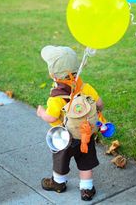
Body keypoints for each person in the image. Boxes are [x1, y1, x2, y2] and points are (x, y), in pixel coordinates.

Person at [37, 45, 103, 201]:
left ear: (52, 74)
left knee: (60, 161)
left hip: (64, 138)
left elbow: (52, 118)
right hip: (86, 134)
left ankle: (58, 183)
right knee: (85, 162)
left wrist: (41, 113)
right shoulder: (86, 88)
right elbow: (100, 104)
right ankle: (86, 189)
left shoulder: (56, 97)